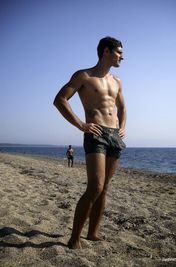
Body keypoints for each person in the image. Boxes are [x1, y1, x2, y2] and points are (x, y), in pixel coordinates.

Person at [53, 36, 126, 249]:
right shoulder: (83, 75)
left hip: (114, 136)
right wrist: (80, 125)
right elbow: (59, 100)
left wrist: (123, 126)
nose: (122, 56)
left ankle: (92, 232)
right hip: (95, 133)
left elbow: (122, 107)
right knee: (95, 187)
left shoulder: (117, 81)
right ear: (106, 51)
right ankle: (74, 237)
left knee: (104, 189)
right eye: (119, 52)